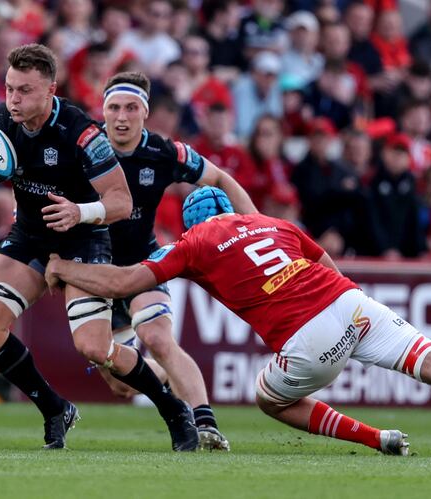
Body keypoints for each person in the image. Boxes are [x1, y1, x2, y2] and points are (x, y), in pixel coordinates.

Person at [45, 186, 431, 460]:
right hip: (354, 303)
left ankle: (376, 438)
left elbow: (122, 285)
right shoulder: (274, 223)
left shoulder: (193, 242)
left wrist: (62, 267)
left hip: (306, 333)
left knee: (268, 398)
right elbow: (328, 267)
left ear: (192, 221)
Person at [0, 44, 198, 451]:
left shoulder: (82, 133)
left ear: (51, 90)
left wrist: (80, 212)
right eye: (9, 88)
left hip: (83, 238)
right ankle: (54, 408)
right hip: (30, 235)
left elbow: (121, 201)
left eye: (25, 90)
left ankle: (172, 408)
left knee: (95, 348)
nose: (14, 99)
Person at [98, 70, 260, 451]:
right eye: (114, 107)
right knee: (120, 382)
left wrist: (258, 226)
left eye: (131, 108)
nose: (122, 116)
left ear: (145, 113)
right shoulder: (82, 147)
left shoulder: (166, 152)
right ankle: (167, 379)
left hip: (142, 264)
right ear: (102, 112)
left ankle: (206, 423)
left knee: (158, 338)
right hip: (93, 272)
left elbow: (220, 178)